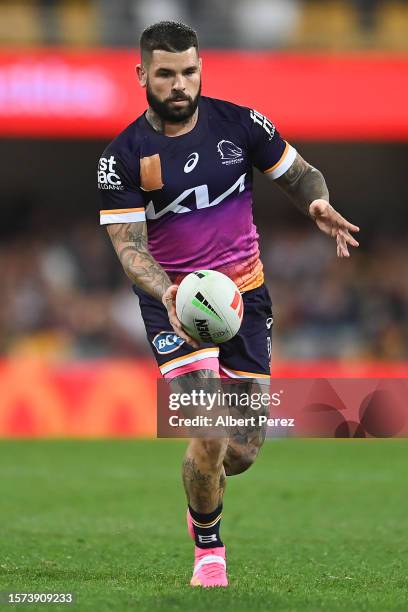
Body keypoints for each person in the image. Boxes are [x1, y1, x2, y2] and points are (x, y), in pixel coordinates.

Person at [97, 20, 359, 588]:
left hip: (245, 299)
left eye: (188, 71)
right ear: (142, 75)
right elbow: (130, 248)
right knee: (209, 432)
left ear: (200, 70)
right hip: (173, 304)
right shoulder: (121, 157)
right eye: (165, 74)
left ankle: (205, 480)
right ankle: (209, 551)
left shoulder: (239, 124)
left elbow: (301, 175)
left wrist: (316, 204)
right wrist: (166, 291)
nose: (178, 84)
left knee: (239, 451)